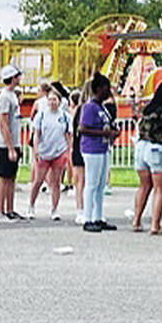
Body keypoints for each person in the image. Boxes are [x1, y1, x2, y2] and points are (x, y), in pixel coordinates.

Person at [132, 80, 162, 235]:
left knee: (143, 186)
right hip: (158, 148)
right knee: (160, 189)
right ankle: (154, 224)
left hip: (141, 147)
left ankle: (136, 220)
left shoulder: (147, 109)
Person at [77, 73, 119, 233]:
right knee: (92, 184)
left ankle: (98, 217)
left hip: (102, 148)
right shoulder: (89, 107)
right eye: (106, 88)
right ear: (98, 89)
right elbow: (83, 128)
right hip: (92, 148)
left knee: (101, 185)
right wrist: (104, 134)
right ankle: (87, 218)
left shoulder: (102, 107)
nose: (109, 91)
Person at [27, 88, 72, 220]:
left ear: (59, 101)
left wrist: (68, 151)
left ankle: (54, 209)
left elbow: (68, 135)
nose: (52, 102)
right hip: (44, 151)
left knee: (56, 182)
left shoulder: (64, 117)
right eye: (50, 99)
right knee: (38, 181)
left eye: (55, 100)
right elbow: (37, 134)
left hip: (59, 151)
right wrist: (36, 150)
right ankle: (31, 205)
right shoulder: (41, 115)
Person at [0, 65, 23, 222]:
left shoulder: (12, 95)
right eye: (17, 76)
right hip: (6, 144)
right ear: (12, 78)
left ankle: (10, 209)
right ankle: (0, 211)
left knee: (12, 177)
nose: (19, 78)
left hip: (14, 141)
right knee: (3, 177)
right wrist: (10, 147)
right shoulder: (4, 97)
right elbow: (3, 123)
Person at [70, 85, 89, 224]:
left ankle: (83, 209)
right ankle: (80, 209)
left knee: (83, 180)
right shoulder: (83, 110)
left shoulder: (80, 110)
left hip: (79, 147)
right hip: (82, 147)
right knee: (81, 180)